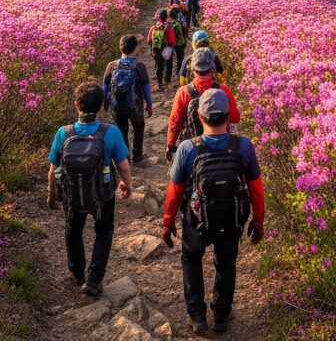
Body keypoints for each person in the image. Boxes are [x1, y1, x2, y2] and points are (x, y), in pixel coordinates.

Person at [162, 89, 265, 334]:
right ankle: (221, 315)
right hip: (231, 220)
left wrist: (168, 223)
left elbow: (175, 192)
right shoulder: (243, 146)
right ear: (228, 116)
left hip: (196, 222)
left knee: (191, 258)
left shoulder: (187, 148)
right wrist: (258, 220)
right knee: (226, 262)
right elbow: (256, 188)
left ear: (200, 116)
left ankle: (197, 316)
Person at [48, 80, 132, 297]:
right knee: (104, 231)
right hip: (102, 195)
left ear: (76, 105)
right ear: (102, 106)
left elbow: (53, 170)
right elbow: (123, 165)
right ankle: (93, 279)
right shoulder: (110, 132)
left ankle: (77, 273)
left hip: (72, 195)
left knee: (73, 229)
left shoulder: (63, 133)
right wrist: (127, 185)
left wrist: (52, 194)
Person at [166, 48, 240, 159]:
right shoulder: (223, 90)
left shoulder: (183, 93)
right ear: (212, 68)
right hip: (222, 149)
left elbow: (175, 122)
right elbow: (235, 118)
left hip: (193, 148)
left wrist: (170, 144)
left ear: (192, 69)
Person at [103, 34, 154, 166]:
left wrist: (106, 102)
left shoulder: (111, 65)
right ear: (135, 48)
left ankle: (125, 158)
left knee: (122, 131)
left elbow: (105, 87)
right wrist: (149, 104)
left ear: (120, 48)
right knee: (139, 127)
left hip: (117, 105)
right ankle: (137, 156)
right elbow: (146, 89)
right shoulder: (139, 66)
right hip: (135, 106)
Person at [147, 8, 177, 89]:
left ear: (158, 18)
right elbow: (173, 41)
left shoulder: (153, 28)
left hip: (156, 51)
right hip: (166, 51)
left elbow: (148, 40)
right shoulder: (169, 27)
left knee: (159, 66)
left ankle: (160, 83)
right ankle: (167, 79)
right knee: (169, 64)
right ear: (166, 17)